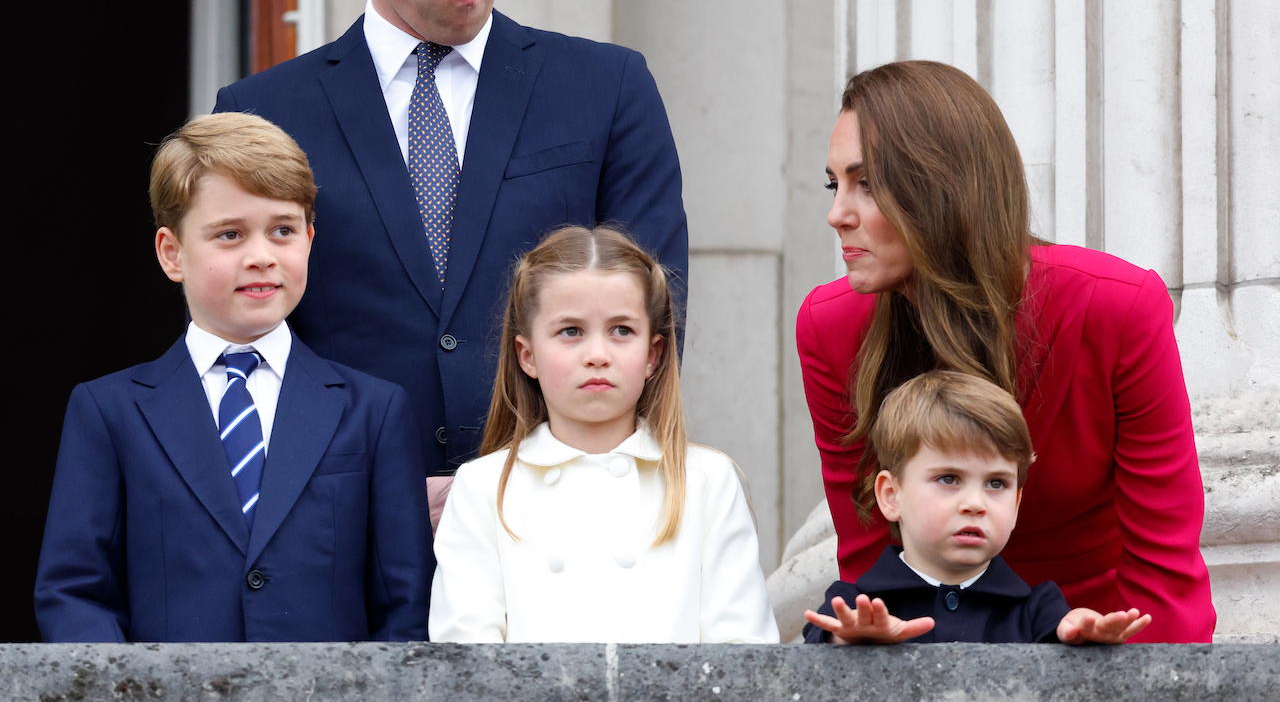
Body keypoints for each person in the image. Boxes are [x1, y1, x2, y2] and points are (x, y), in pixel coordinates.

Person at [213, 0, 687, 518]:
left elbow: (652, 321)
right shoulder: (265, 114)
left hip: (561, 531)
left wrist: (517, 488)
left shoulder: (607, 89)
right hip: (341, 544)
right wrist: (384, 494)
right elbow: (243, 353)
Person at [800, 60, 1214, 643]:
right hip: (931, 645)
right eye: (834, 183)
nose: (837, 213)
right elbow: (871, 558)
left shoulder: (1116, 307)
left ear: (942, 184)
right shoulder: (830, 327)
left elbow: (1165, 567)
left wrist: (1154, 682)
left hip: (1097, 643)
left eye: (866, 183)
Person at [34, 114, 431, 642]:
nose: (261, 256)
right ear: (172, 253)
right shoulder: (108, 412)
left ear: (310, 239)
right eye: (230, 234)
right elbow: (74, 593)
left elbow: (406, 604)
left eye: (283, 230)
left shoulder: (374, 410)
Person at [428, 226, 778, 643]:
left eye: (622, 331)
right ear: (528, 355)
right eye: (571, 331)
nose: (597, 355)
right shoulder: (484, 488)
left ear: (653, 355)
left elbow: (741, 656)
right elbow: (467, 660)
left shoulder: (707, 481)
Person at [803, 371, 1152, 644]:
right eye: (949, 478)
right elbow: (816, 648)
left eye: (996, 483)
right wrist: (848, 639)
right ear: (891, 495)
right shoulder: (855, 603)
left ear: (1016, 504)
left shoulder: (1039, 611)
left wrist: (1080, 639)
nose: (975, 504)